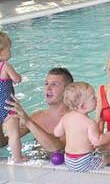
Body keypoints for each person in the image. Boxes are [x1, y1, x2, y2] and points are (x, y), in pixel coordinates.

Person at [54, 82, 110, 172]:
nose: (96, 98)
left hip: (69, 160)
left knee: (97, 154)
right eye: (93, 98)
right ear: (83, 106)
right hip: (84, 161)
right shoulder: (89, 122)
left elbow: (57, 133)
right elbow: (97, 141)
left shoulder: (66, 117)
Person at [6, 68, 74, 153]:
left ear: (67, 90)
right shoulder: (36, 117)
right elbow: (6, 141)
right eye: (46, 83)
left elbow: (57, 148)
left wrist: (28, 122)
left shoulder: (74, 119)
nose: (48, 88)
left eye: (54, 84)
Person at [0, 32, 23, 162]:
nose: (10, 51)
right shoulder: (5, 66)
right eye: (9, 48)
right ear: (1, 52)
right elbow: (17, 79)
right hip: (7, 106)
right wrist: (17, 75)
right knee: (13, 134)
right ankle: (18, 157)